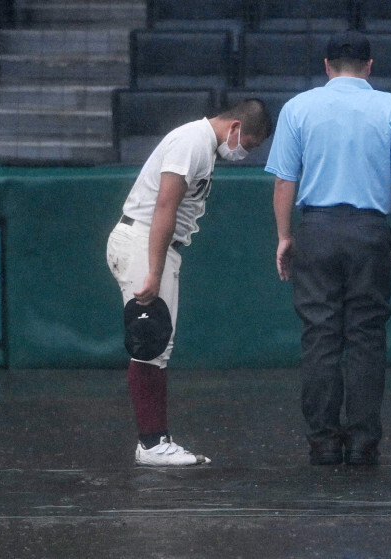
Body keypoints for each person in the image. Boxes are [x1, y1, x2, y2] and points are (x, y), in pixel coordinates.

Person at [265, 30, 391, 466]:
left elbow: (285, 181)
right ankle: (362, 442)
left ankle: (322, 441)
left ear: (327, 65)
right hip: (369, 231)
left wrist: (285, 236)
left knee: (319, 336)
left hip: (315, 229)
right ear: (370, 66)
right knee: (366, 338)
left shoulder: (298, 108)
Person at [107, 99, 273, 466]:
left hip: (154, 244)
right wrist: (154, 269)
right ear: (235, 128)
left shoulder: (202, 146)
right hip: (144, 241)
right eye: (249, 144)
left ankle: (156, 439)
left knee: (157, 345)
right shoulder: (192, 141)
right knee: (149, 342)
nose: (244, 152)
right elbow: (165, 205)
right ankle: (152, 444)